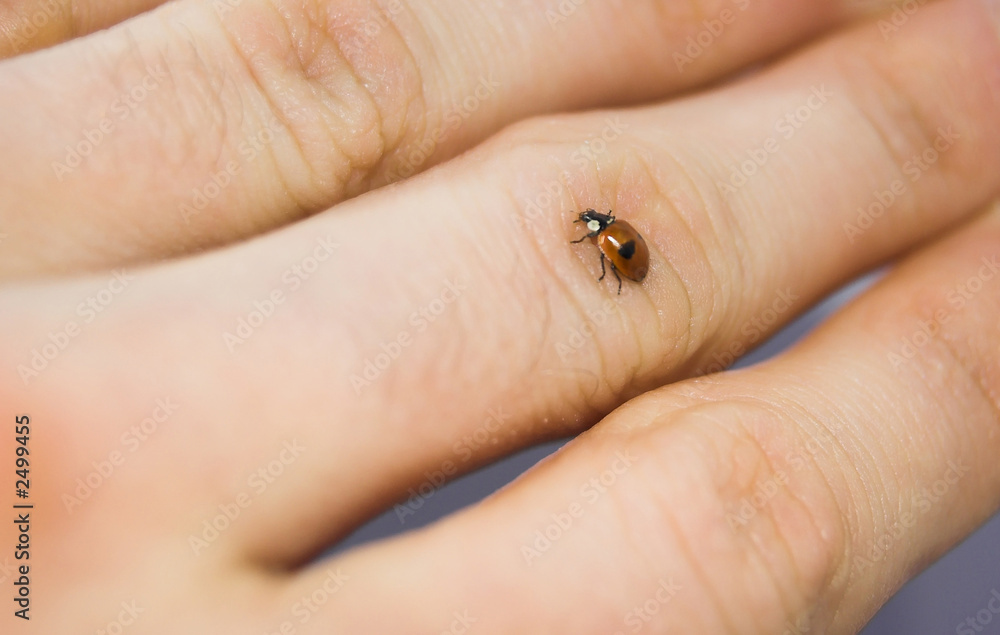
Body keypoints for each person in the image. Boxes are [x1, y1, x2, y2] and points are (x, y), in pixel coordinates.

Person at [1, 0, 999, 632]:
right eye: (602, 231)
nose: (599, 234)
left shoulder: (610, 236)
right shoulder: (610, 234)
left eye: (601, 229)